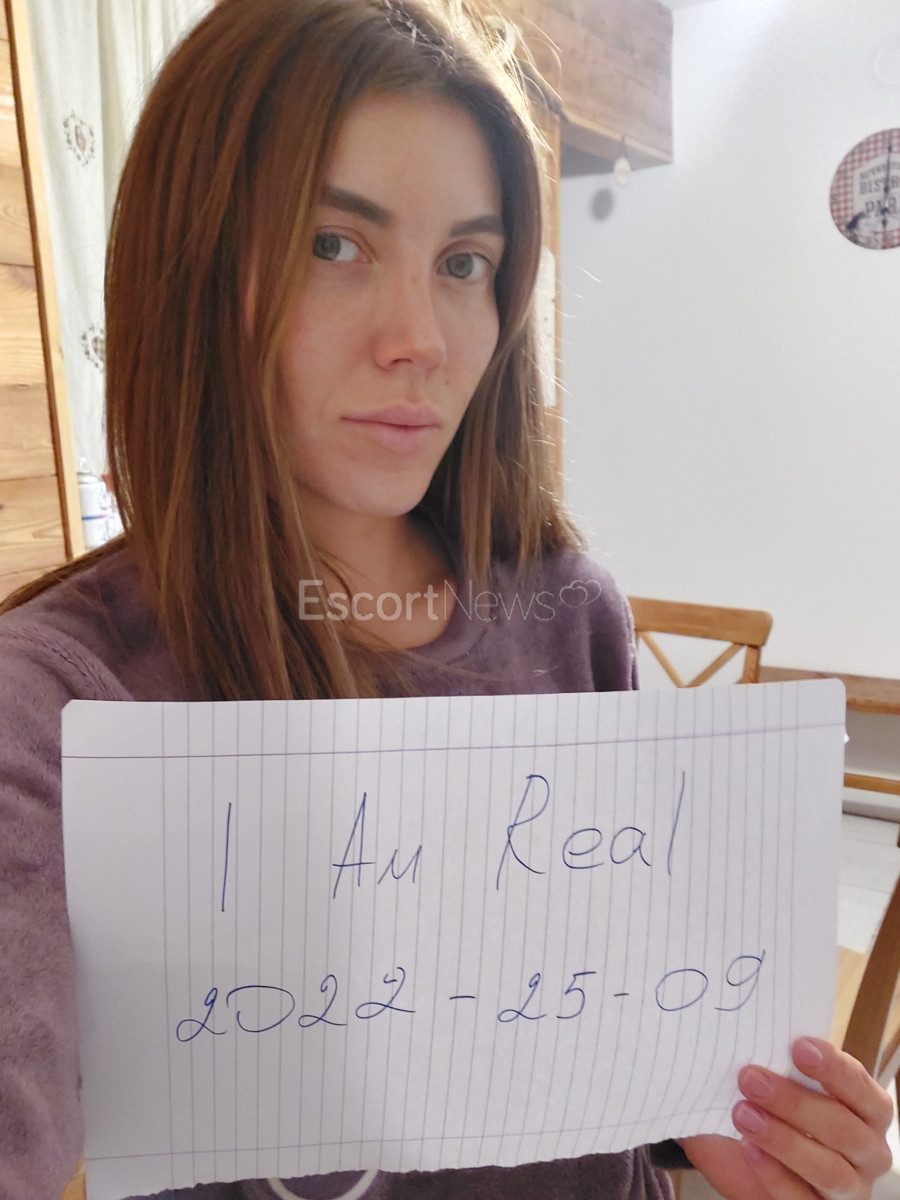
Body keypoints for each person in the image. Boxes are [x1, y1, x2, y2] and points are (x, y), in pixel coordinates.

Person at [0, 0, 892, 1197]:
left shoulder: (570, 612)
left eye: (465, 264)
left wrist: (715, 1115)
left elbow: (611, 993)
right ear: (193, 266)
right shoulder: (60, 704)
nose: (420, 338)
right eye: (333, 243)